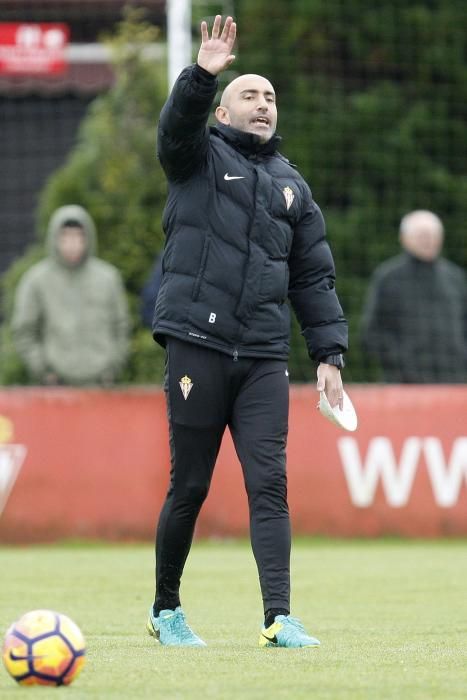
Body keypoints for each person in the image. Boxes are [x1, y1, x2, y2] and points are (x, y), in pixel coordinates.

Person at [146, 16, 348, 649]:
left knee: (270, 483)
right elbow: (176, 126)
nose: (264, 104)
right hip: (196, 347)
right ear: (226, 112)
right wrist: (203, 74)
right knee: (192, 485)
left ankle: (278, 617)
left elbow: (314, 278)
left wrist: (329, 353)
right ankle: (166, 610)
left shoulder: (293, 187)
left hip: (262, 355)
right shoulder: (195, 159)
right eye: (251, 95)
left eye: (270, 98)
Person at [12, 204, 130, 385]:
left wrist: (112, 368)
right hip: (56, 388)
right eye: (66, 236)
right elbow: (24, 331)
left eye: (78, 236)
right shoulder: (36, 280)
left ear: (88, 238)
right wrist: (44, 370)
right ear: (54, 239)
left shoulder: (108, 278)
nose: (73, 244)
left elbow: (122, 326)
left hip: (101, 386)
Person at [361, 210, 467, 383]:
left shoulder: (455, 277)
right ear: (404, 238)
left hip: (454, 381)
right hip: (404, 384)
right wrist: (403, 362)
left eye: (434, 234)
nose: (429, 239)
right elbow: (372, 334)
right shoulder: (388, 277)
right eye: (422, 235)